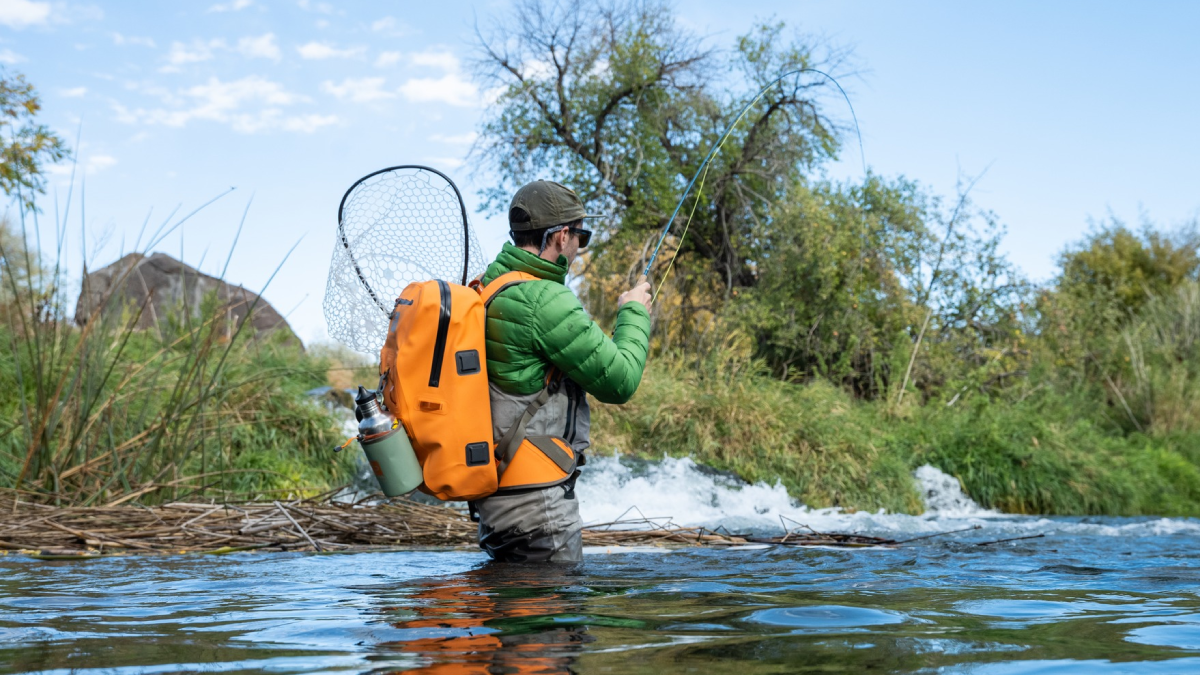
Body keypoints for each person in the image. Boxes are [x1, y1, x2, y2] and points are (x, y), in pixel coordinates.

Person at [474, 179, 652, 563]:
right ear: (562, 236)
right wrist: (634, 312)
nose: (578, 249)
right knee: (554, 603)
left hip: (496, 502)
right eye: (580, 238)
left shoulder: (489, 286)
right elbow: (620, 381)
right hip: (538, 510)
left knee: (514, 600)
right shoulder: (544, 299)